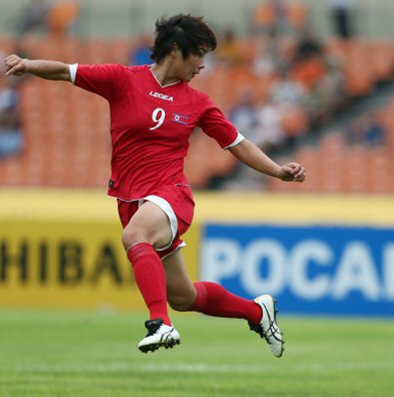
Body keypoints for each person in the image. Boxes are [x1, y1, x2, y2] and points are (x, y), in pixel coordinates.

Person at [4, 14, 306, 357]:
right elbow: (64, 71)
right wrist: (27, 64)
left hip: (171, 195)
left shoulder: (198, 103)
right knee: (184, 297)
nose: (203, 65)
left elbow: (238, 143)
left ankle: (159, 324)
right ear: (176, 50)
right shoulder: (122, 80)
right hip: (131, 199)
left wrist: (278, 171)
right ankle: (258, 311)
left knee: (135, 237)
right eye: (200, 55)